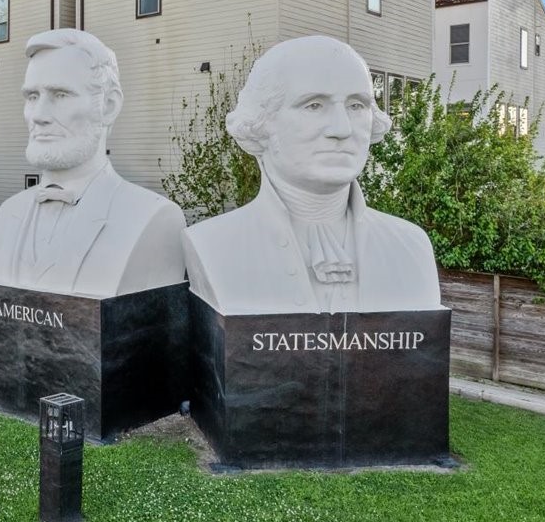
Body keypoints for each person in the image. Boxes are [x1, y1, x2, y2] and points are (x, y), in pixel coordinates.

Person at [183, 35, 440, 314]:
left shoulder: (410, 248)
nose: (342, 129)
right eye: (314, 105)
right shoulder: (213, 247)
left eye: (356, 105)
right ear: (262, 122)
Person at [0, 29, 186, 297]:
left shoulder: (154, 219)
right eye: (32, 97)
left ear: (109, 106)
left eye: (60, 95)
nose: (38, 115)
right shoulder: (6, 216)